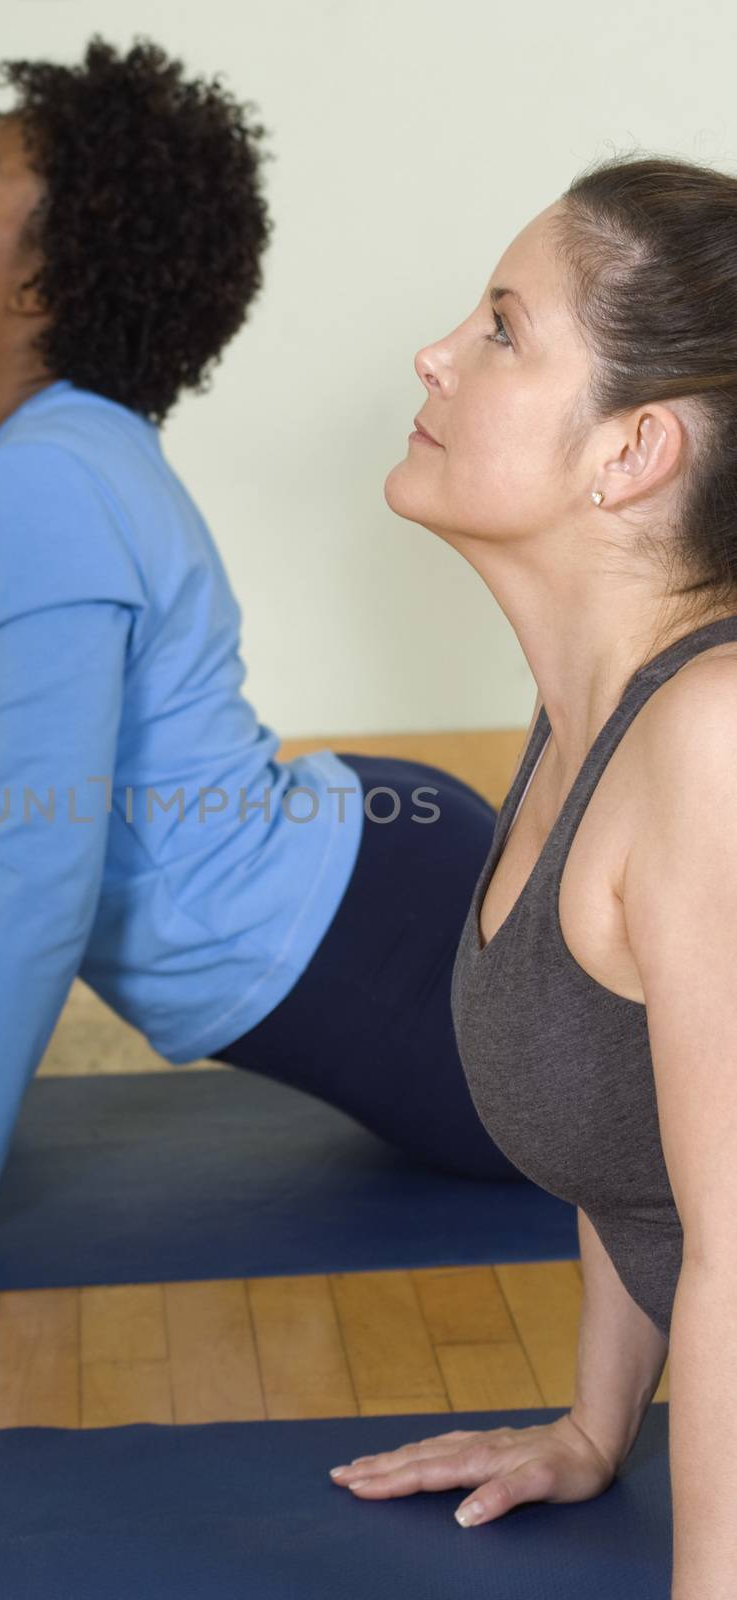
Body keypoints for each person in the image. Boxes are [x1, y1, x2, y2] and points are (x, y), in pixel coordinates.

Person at [0, 35, 521, 1284]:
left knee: (668, 1138)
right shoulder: (57, 463)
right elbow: (82, 825)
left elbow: (48, 861)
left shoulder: (50, 485)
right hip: (367, 899)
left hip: (394, 955)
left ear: (40, 288)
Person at [326, 154, 737, 1595]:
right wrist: (588, 1425)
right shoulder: (591, 711)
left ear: (627, 454)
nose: (435, 353)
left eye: (501, 328)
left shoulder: (709, 738)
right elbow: (635, 1162)